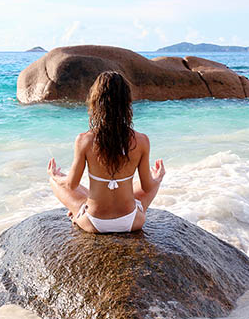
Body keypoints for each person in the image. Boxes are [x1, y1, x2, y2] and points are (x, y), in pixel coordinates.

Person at [47, 71, 165, 233]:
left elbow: (71, 184)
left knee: (55, 182)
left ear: (96, 101)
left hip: (94, 222)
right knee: (151, 182)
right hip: (131, 221)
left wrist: (55, 176)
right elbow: (147, 186)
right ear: (126, 103)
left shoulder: (84, 140)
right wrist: (158, 178)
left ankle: (77, 214)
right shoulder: (142, 140)